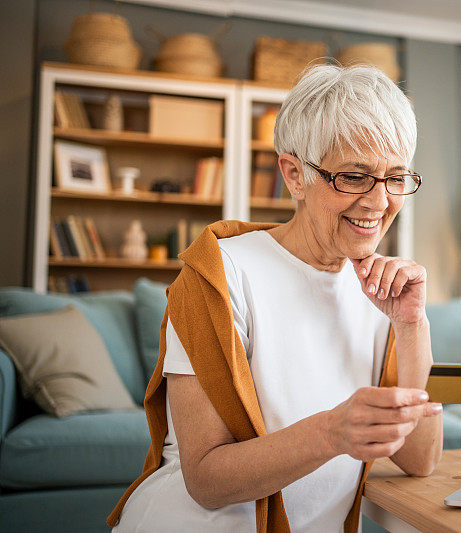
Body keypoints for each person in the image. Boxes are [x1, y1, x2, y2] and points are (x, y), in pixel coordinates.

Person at [108, 64, 443, 533]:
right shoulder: (219, 275)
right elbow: (205, 480)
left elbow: (420, 458)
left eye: (395, 177)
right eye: (353, 176)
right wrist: (331, 432)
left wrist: (412, 327)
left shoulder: (381, 292)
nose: (378, 201)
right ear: (294, 174)